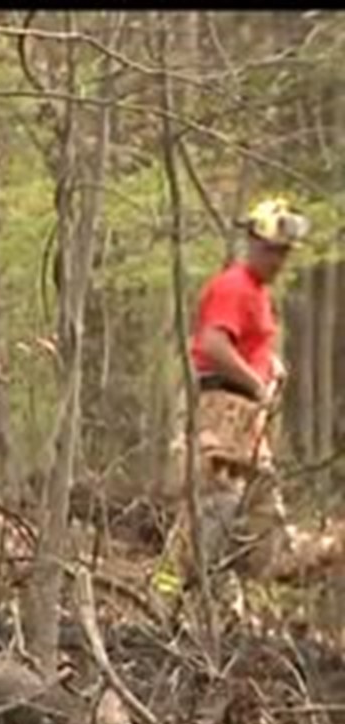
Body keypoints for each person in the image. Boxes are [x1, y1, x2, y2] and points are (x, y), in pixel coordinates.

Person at [152, 197, 309, 602]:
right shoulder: (233, 286)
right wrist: (256, 383)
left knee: (261, 514)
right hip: (224, 411)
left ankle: (235, 604)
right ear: (254, 244)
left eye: (284, 253)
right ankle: (165, 594)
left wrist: (270, 365)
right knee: (213, 507)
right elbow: (213, 344)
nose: (279, 261)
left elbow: (245, 343)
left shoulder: (257, 293)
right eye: (274, 251)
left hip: (248, 418)